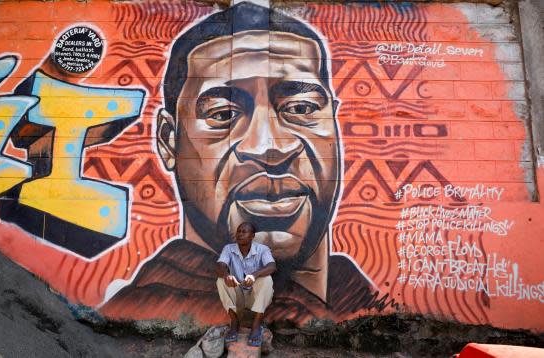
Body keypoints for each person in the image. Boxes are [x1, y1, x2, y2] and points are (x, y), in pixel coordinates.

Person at [100, 1, 377, 324]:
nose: (270, 147)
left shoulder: (356, 297)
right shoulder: (147, 308)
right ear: (168, 141)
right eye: (223, 115)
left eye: (301, 109)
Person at [216, 222, 276, 346]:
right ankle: (234, 322)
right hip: (237, 296)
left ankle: (256, 325)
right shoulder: (229, 248)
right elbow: (220, 265)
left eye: (244, 232)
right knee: (220, 280)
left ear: (252, 236)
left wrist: (254, 275)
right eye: (238, 231)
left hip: (255, 297)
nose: (240, 234)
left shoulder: (262, 249)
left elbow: (272, 266)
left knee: (267, 279)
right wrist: (227, 275)